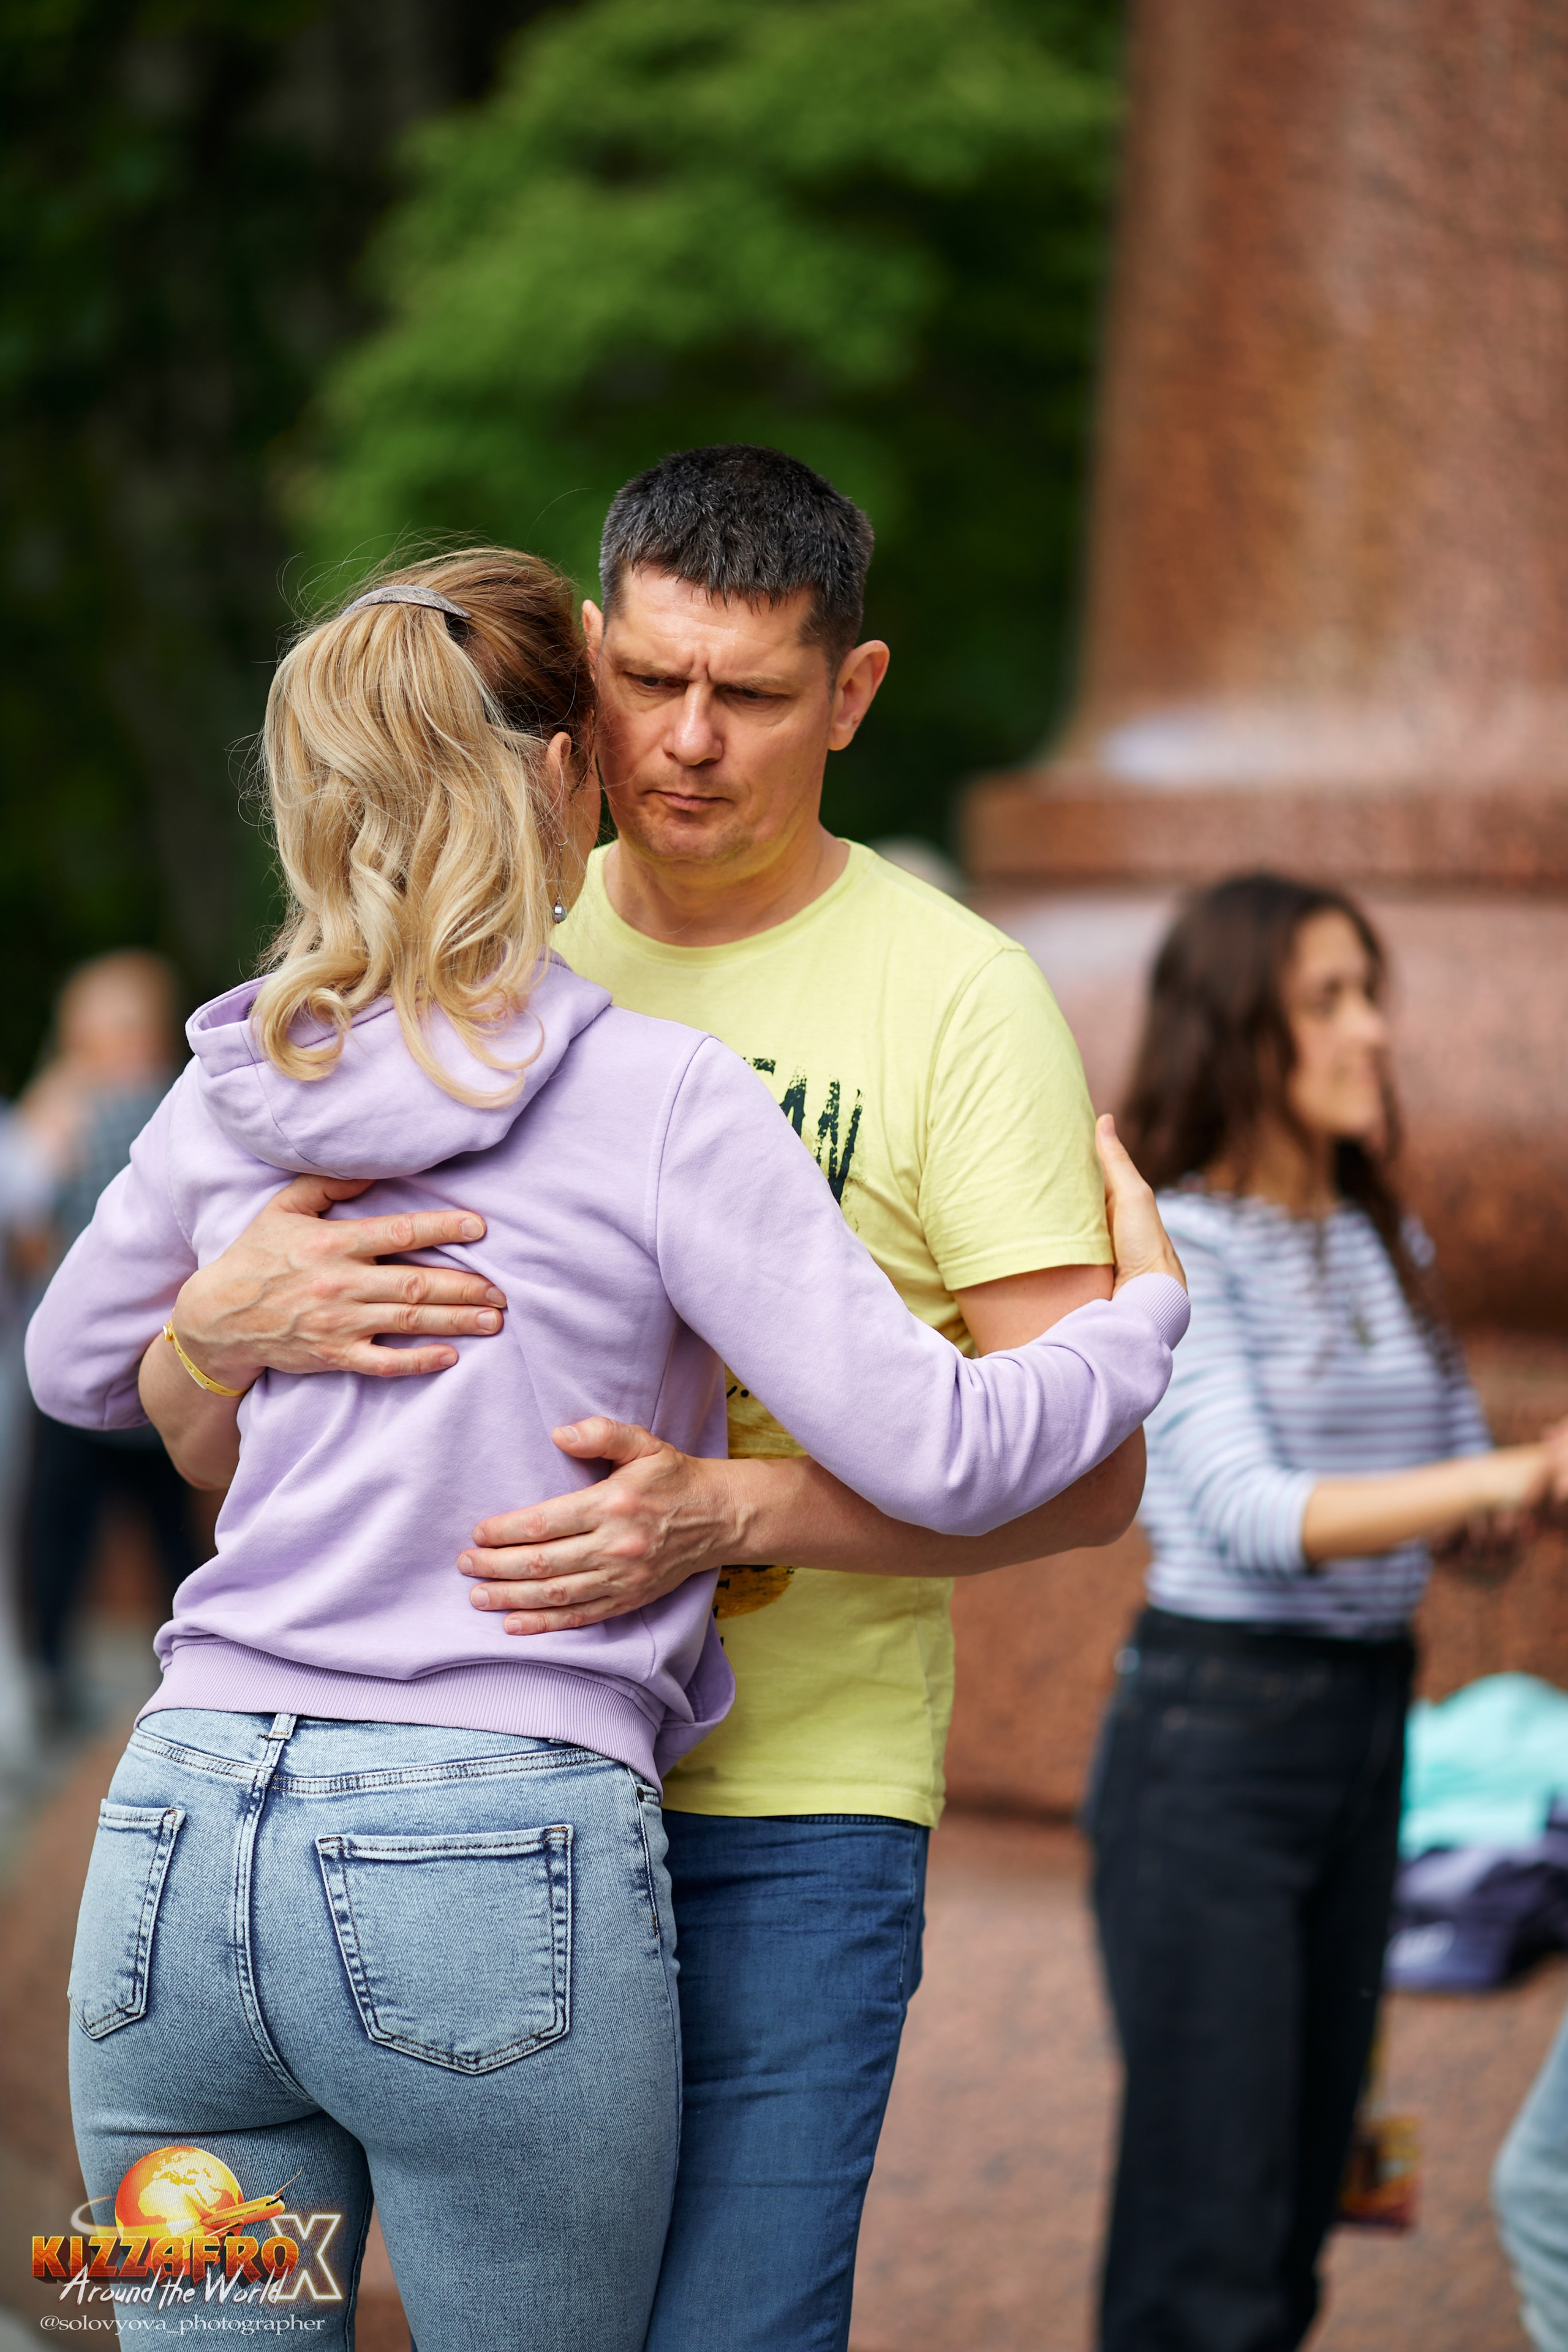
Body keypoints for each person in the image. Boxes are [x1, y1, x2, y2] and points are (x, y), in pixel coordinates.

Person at [30, 549, 1189, 2351]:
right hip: (482, 1857)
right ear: (562, 772)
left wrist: (212, 1320)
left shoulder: (241, 1070)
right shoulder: (655, 1094)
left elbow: (68, 1367)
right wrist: (1144, 1313)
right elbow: (953, 1451)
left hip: (172, 1846)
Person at [1088, 871, 1568, 2352]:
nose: (1371, 1030)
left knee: (1298, 2207)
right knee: (1210, 2228)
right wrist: (1490, 1473)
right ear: (1237, 1031)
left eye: (1370, 993)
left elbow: (1441, 1494)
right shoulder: (1179, 1242)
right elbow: (1254, 1512)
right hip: (1212, 1743)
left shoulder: (1378, 1238)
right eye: (1326, 1000)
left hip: (1364, 1728)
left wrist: (1524, 1490)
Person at [24, 951, 197, 1723]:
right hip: (166, 1362)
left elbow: (32, 1229)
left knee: (59, 1531)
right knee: (168, 1528)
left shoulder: (73, 1118)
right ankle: (182, 1664)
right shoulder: (180, 1107)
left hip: (85, 1369)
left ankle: (51, 1672)